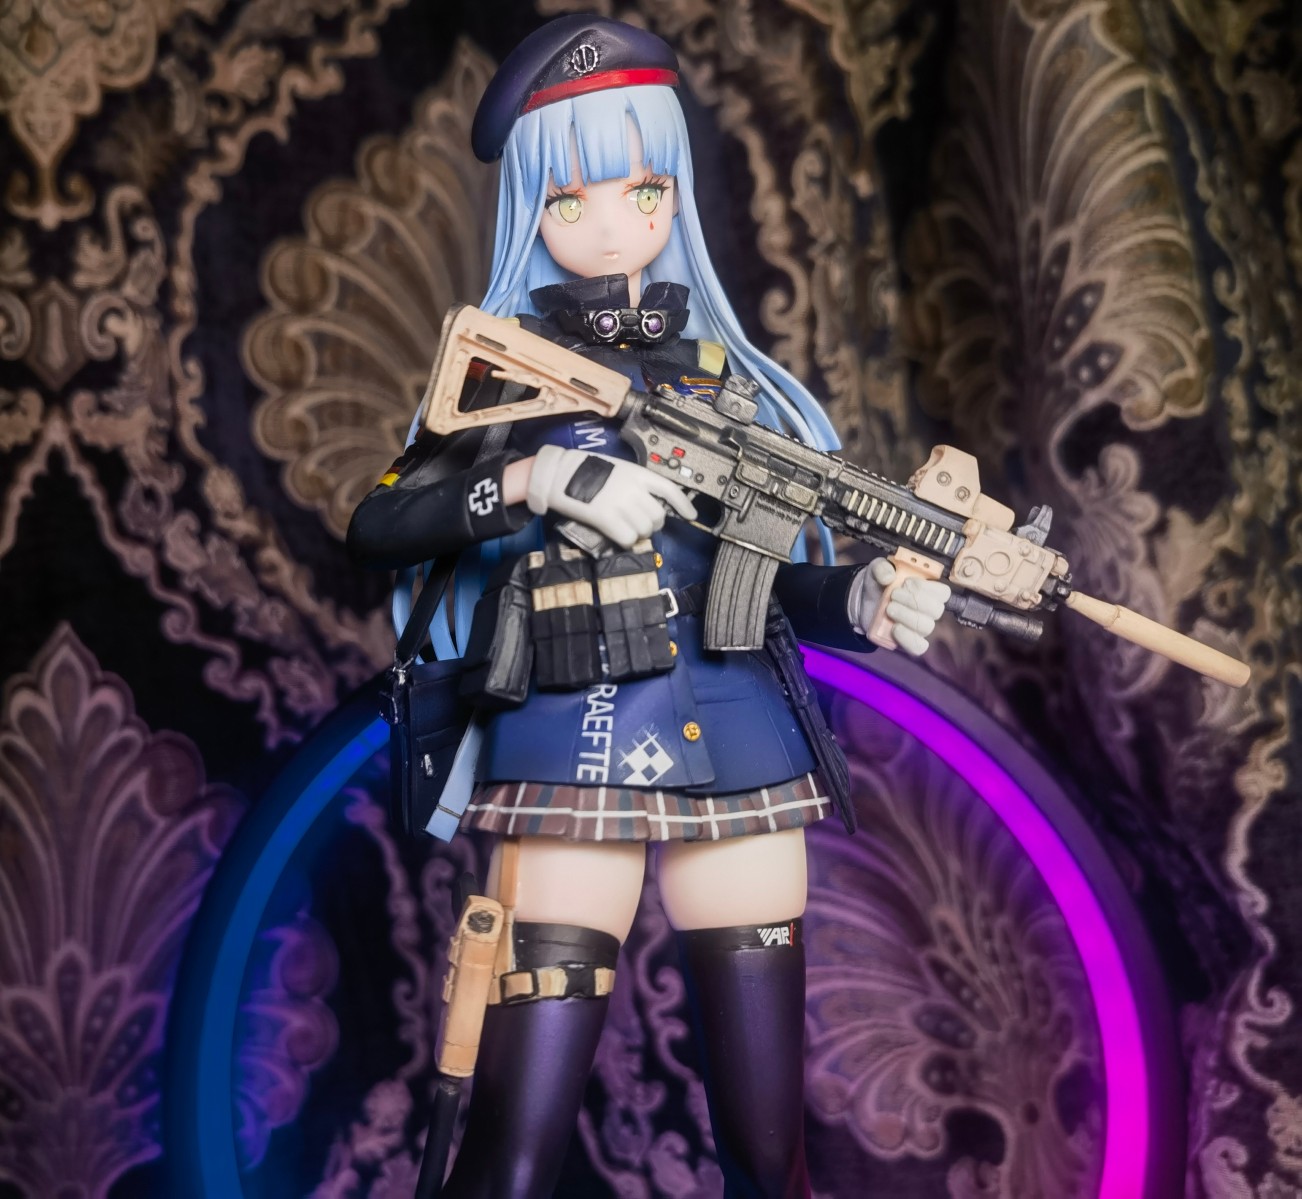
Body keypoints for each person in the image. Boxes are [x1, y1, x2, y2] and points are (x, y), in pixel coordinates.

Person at [347, 16, 949, 1198]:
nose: (614, 222)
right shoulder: (509, 373)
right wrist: (534, 478)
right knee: (513, 1153)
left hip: (739, 733)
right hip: (571, 727)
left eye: (644, 187)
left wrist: (864, 596)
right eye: (571, 197)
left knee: (769, 1155)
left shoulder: (731, 384)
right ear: (531, 206)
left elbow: (762, 580)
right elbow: (379, 521)